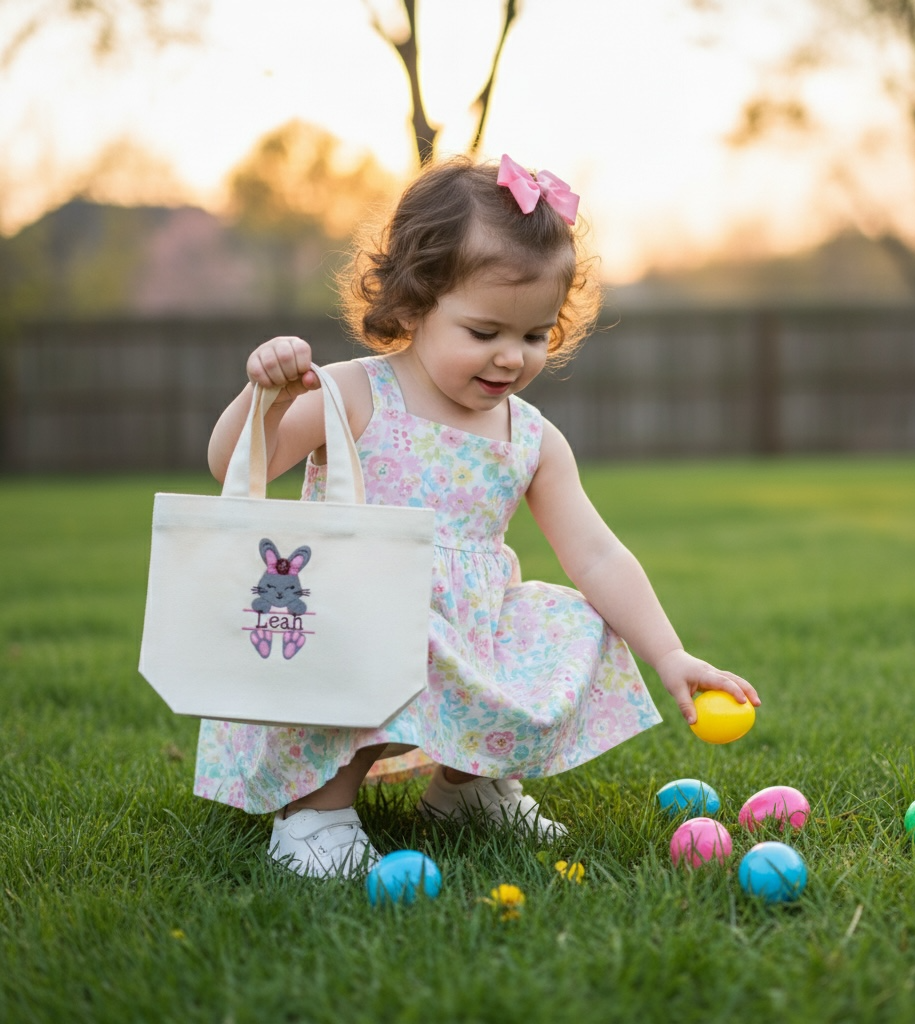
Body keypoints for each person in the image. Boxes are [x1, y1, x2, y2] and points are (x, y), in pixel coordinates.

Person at [195, 154, 759, 879]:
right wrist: (262, 396)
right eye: (484, 330)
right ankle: (317, 812)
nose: (509, 359)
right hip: (350, 618)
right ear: (411, 306)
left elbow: (596, 555)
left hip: (469, 630)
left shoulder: (530, 436)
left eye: (533, 336)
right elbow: (233, 463)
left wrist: (670, 652)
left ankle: (466, 788)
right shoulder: (356, 394)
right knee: (388, 632)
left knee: (573, 621)